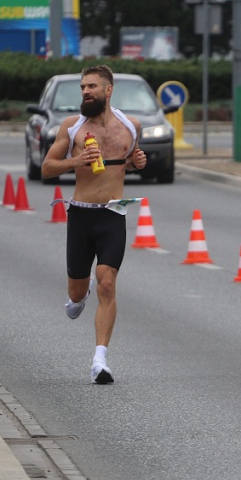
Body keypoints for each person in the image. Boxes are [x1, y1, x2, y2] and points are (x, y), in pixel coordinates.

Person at [42, 65, 148, 384]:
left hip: (113, 214)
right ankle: (79, 292)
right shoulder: (72, 127)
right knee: (76, 294)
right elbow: (47, 167)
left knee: (108, 282)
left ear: (108, 90)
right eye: (83, 87)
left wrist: (136, 164)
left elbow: (125, 163)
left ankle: (100, 360)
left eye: (92, 86)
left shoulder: (131, 126)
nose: (86, 92)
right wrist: (76, 162)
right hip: (81, 215)